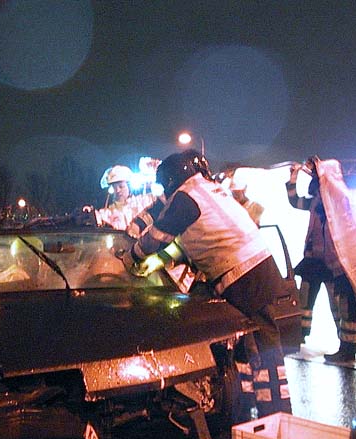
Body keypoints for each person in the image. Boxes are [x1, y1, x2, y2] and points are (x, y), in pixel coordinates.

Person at [120, 149, 292, 420]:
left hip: (242, 275)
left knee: (261, 346)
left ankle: (275, 416)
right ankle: (253, 412)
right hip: (258, 268)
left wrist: (132, 256)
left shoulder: (186, 197)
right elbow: (191, 242)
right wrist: (159, 261)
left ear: (171, 179)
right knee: (252, 343)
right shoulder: (209, 191)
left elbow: (158, 235)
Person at [286, 157, 356, 363]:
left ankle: (353, 347)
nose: (315, 183)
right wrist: (292, 178)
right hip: (321, 262)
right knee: (327, 302)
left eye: (318, 178)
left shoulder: (338, 200)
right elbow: (295, 201)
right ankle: (351, 344)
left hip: (346, 264)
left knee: (350, 306)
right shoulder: (320, 201)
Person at [285, 162, 335, 344]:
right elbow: (294, 200)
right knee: (305, 301)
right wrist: (293, 177)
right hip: (313, 261)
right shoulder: (314, 203)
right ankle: (301, 334)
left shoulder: (336, 204)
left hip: (331, 263)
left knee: (336, 305)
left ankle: (343, 339)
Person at [95, 165, 155, 231]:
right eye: (114, 187)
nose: (117, 190)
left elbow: (161, 199)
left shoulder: (143, 201)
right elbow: (97, 222)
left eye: (121, 186)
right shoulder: (106, 213)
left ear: (129, 186)